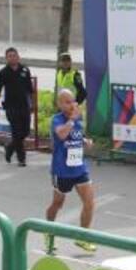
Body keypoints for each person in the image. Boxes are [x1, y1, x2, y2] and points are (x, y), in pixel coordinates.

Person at [46, 89, 97, 253]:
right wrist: (71, 120)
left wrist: (85, 141)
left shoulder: (78, 119)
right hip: (62, 171)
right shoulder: (57, 119)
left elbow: (76, 135)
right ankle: (48, 231)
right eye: (67, 102)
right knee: (57, 204)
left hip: (79, 168)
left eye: (73, 101)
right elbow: (61, 135)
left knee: (89, 202)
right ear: (60, 104)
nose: (71, 105)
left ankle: (83, 237)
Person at [0, 47, 36, 166]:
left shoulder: (25, 70)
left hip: (24, 106)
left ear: (18, 57)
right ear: (6, 58)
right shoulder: (3, 72)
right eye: (10, 56)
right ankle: (21, 159)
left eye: (14, 55)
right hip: (11, 107)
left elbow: (30, 90)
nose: (12, 58)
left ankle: (10, 147)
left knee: (25, 131)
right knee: (16, 132)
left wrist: (33, 104)